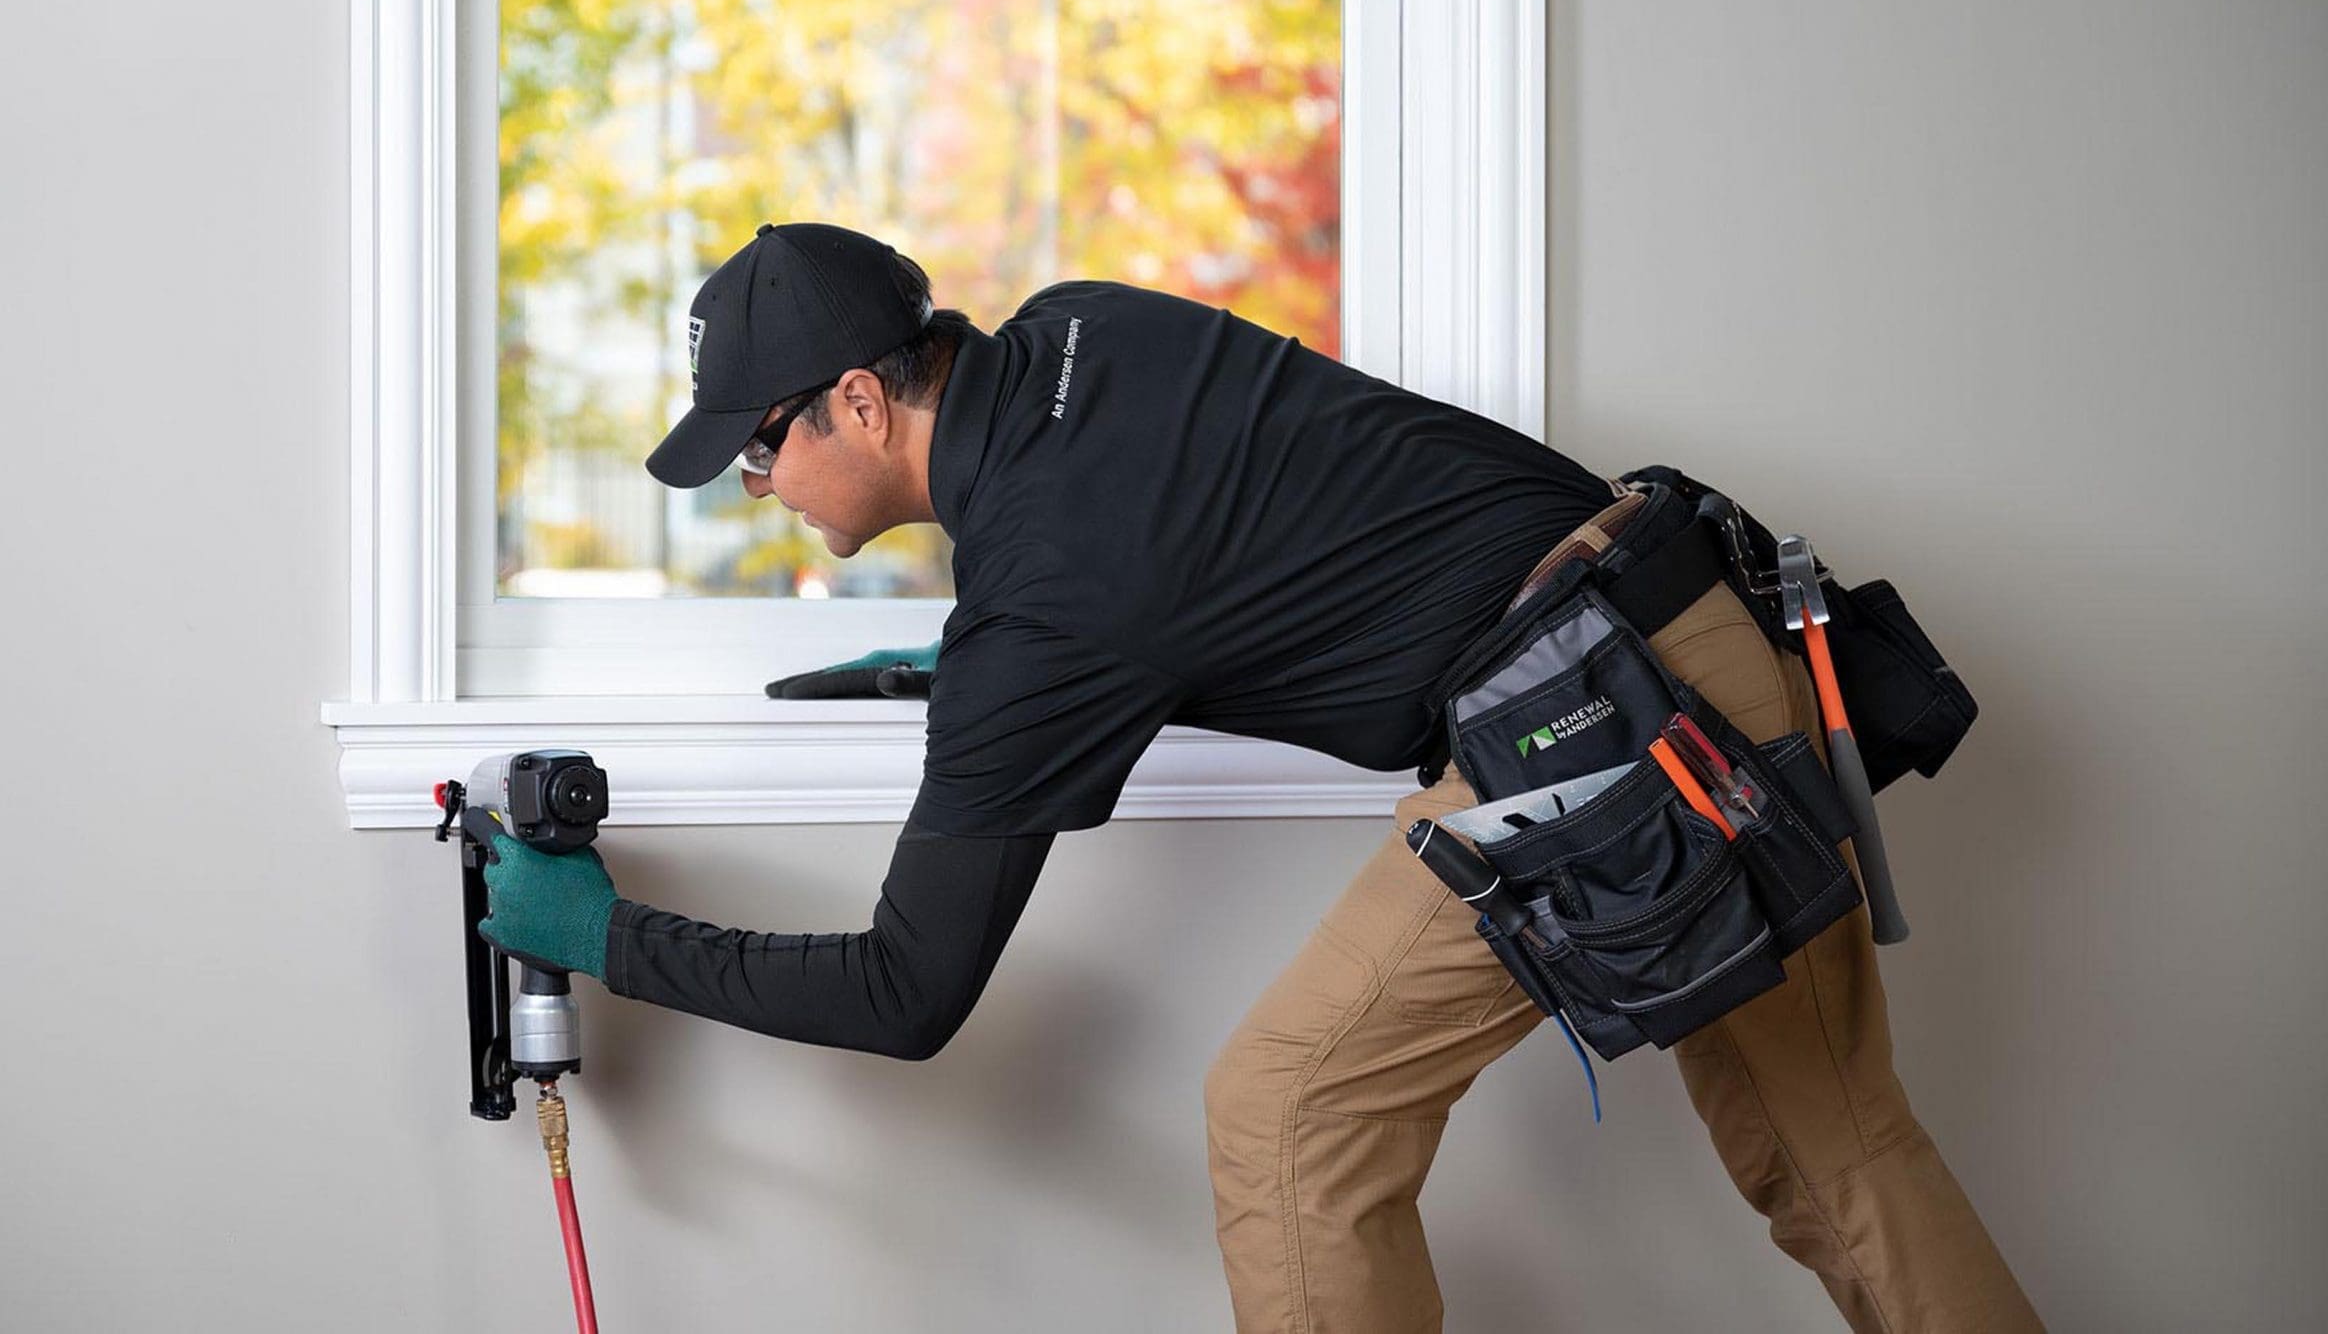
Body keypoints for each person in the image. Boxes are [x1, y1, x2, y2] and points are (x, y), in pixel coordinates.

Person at [468, 220, 2040, 1331]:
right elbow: (1237, 534)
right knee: (1839, 1154)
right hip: (1710, 622)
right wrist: (977, 662)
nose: (754, 485)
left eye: (755, 449)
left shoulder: (1045, 604)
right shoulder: (1086, 324)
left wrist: (605, 932)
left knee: (1282, 1115)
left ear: (863, 402)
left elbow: (906, 991)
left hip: (1595, 717)